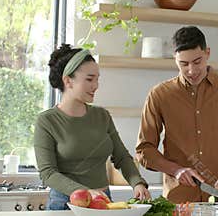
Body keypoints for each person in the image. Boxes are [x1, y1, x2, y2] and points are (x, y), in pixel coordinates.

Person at [135, 26, 218, 203]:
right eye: (184, 64)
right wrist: (176, 170)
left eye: (197, 61)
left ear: (207, 53)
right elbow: (144, 149)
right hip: (179, 200)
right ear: (175, 59)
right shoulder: (159, 95)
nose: (191, 70)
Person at [34, 44, 151, 210]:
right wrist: (84, 192)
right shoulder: (47, 121)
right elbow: (48, 173)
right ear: (68, 81)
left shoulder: (102, 116)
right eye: (89, 79)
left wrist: (137, 183)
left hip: (103, 201)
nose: (96, 85)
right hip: (65, 203)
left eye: (97, 79)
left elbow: (122, 157)